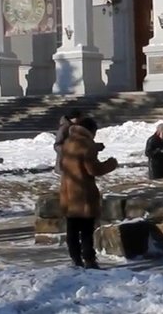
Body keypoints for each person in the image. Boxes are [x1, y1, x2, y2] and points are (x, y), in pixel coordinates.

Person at [60, 117, 118, 269]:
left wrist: (95, 148)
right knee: (86, 230)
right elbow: (93, 169)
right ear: (91, 131)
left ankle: (75, 259)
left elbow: (69, 161)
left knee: (72, 229)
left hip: (68, 192)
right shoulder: (87, 144)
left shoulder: (68, 142)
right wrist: (111, 164)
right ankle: (89, 259)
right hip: (83, 193)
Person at [54, 109, 82, 176]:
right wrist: (67, 151)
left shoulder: (74, 127)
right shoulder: (64, 128)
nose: (80, 120)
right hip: (64, 163)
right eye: (78, 118)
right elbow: (57, 145)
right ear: (73, 118)